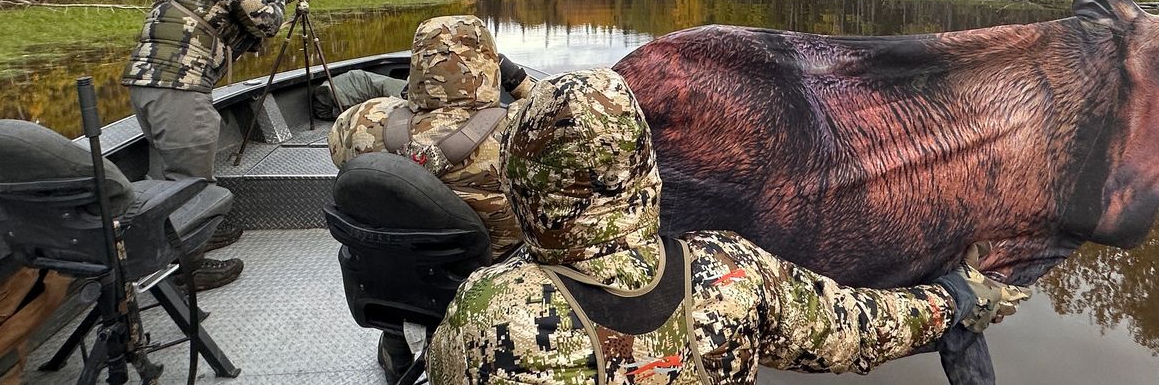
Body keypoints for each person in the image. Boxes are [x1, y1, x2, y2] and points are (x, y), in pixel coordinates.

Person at [428, 68, 1032, 383]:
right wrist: (952, 298)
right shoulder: (731, 272)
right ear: (645, 167)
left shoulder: (486, 310)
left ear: (520, 179)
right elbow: (855, 329)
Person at [328, 14, 535, 376]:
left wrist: (413, 101)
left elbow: (339, 151)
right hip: (489, 282)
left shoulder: (357, 123)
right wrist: (518, 82)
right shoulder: (523, 127)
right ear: (488, 62)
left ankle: (396, 342)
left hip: (390, 281)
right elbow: (562, 115)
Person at [121, 0, 291, 290]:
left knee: (164, 175)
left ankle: (187, 239)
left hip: (147, 83)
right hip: (179, 86)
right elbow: (268, 23)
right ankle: (189, 269)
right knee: (189, 181)